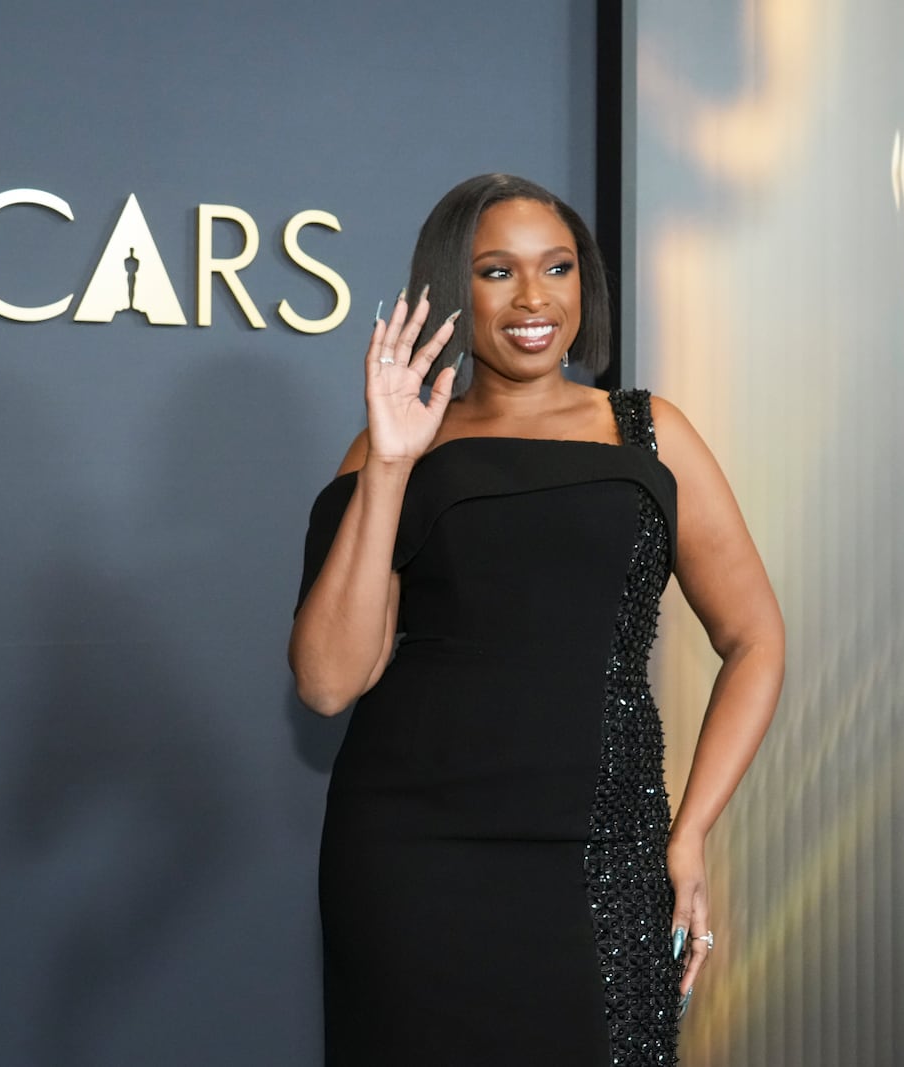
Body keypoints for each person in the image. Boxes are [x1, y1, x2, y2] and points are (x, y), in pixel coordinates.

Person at [288, 173, 783, 1066]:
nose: (533, 298)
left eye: (556, 266)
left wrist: (691, 831)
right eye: (495, 271)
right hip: (413, 858)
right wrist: (394, 466)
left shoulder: (647, 432)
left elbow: (755, 640)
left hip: (605, 849)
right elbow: (328, 682)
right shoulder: (392, 446)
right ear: (448, 288)